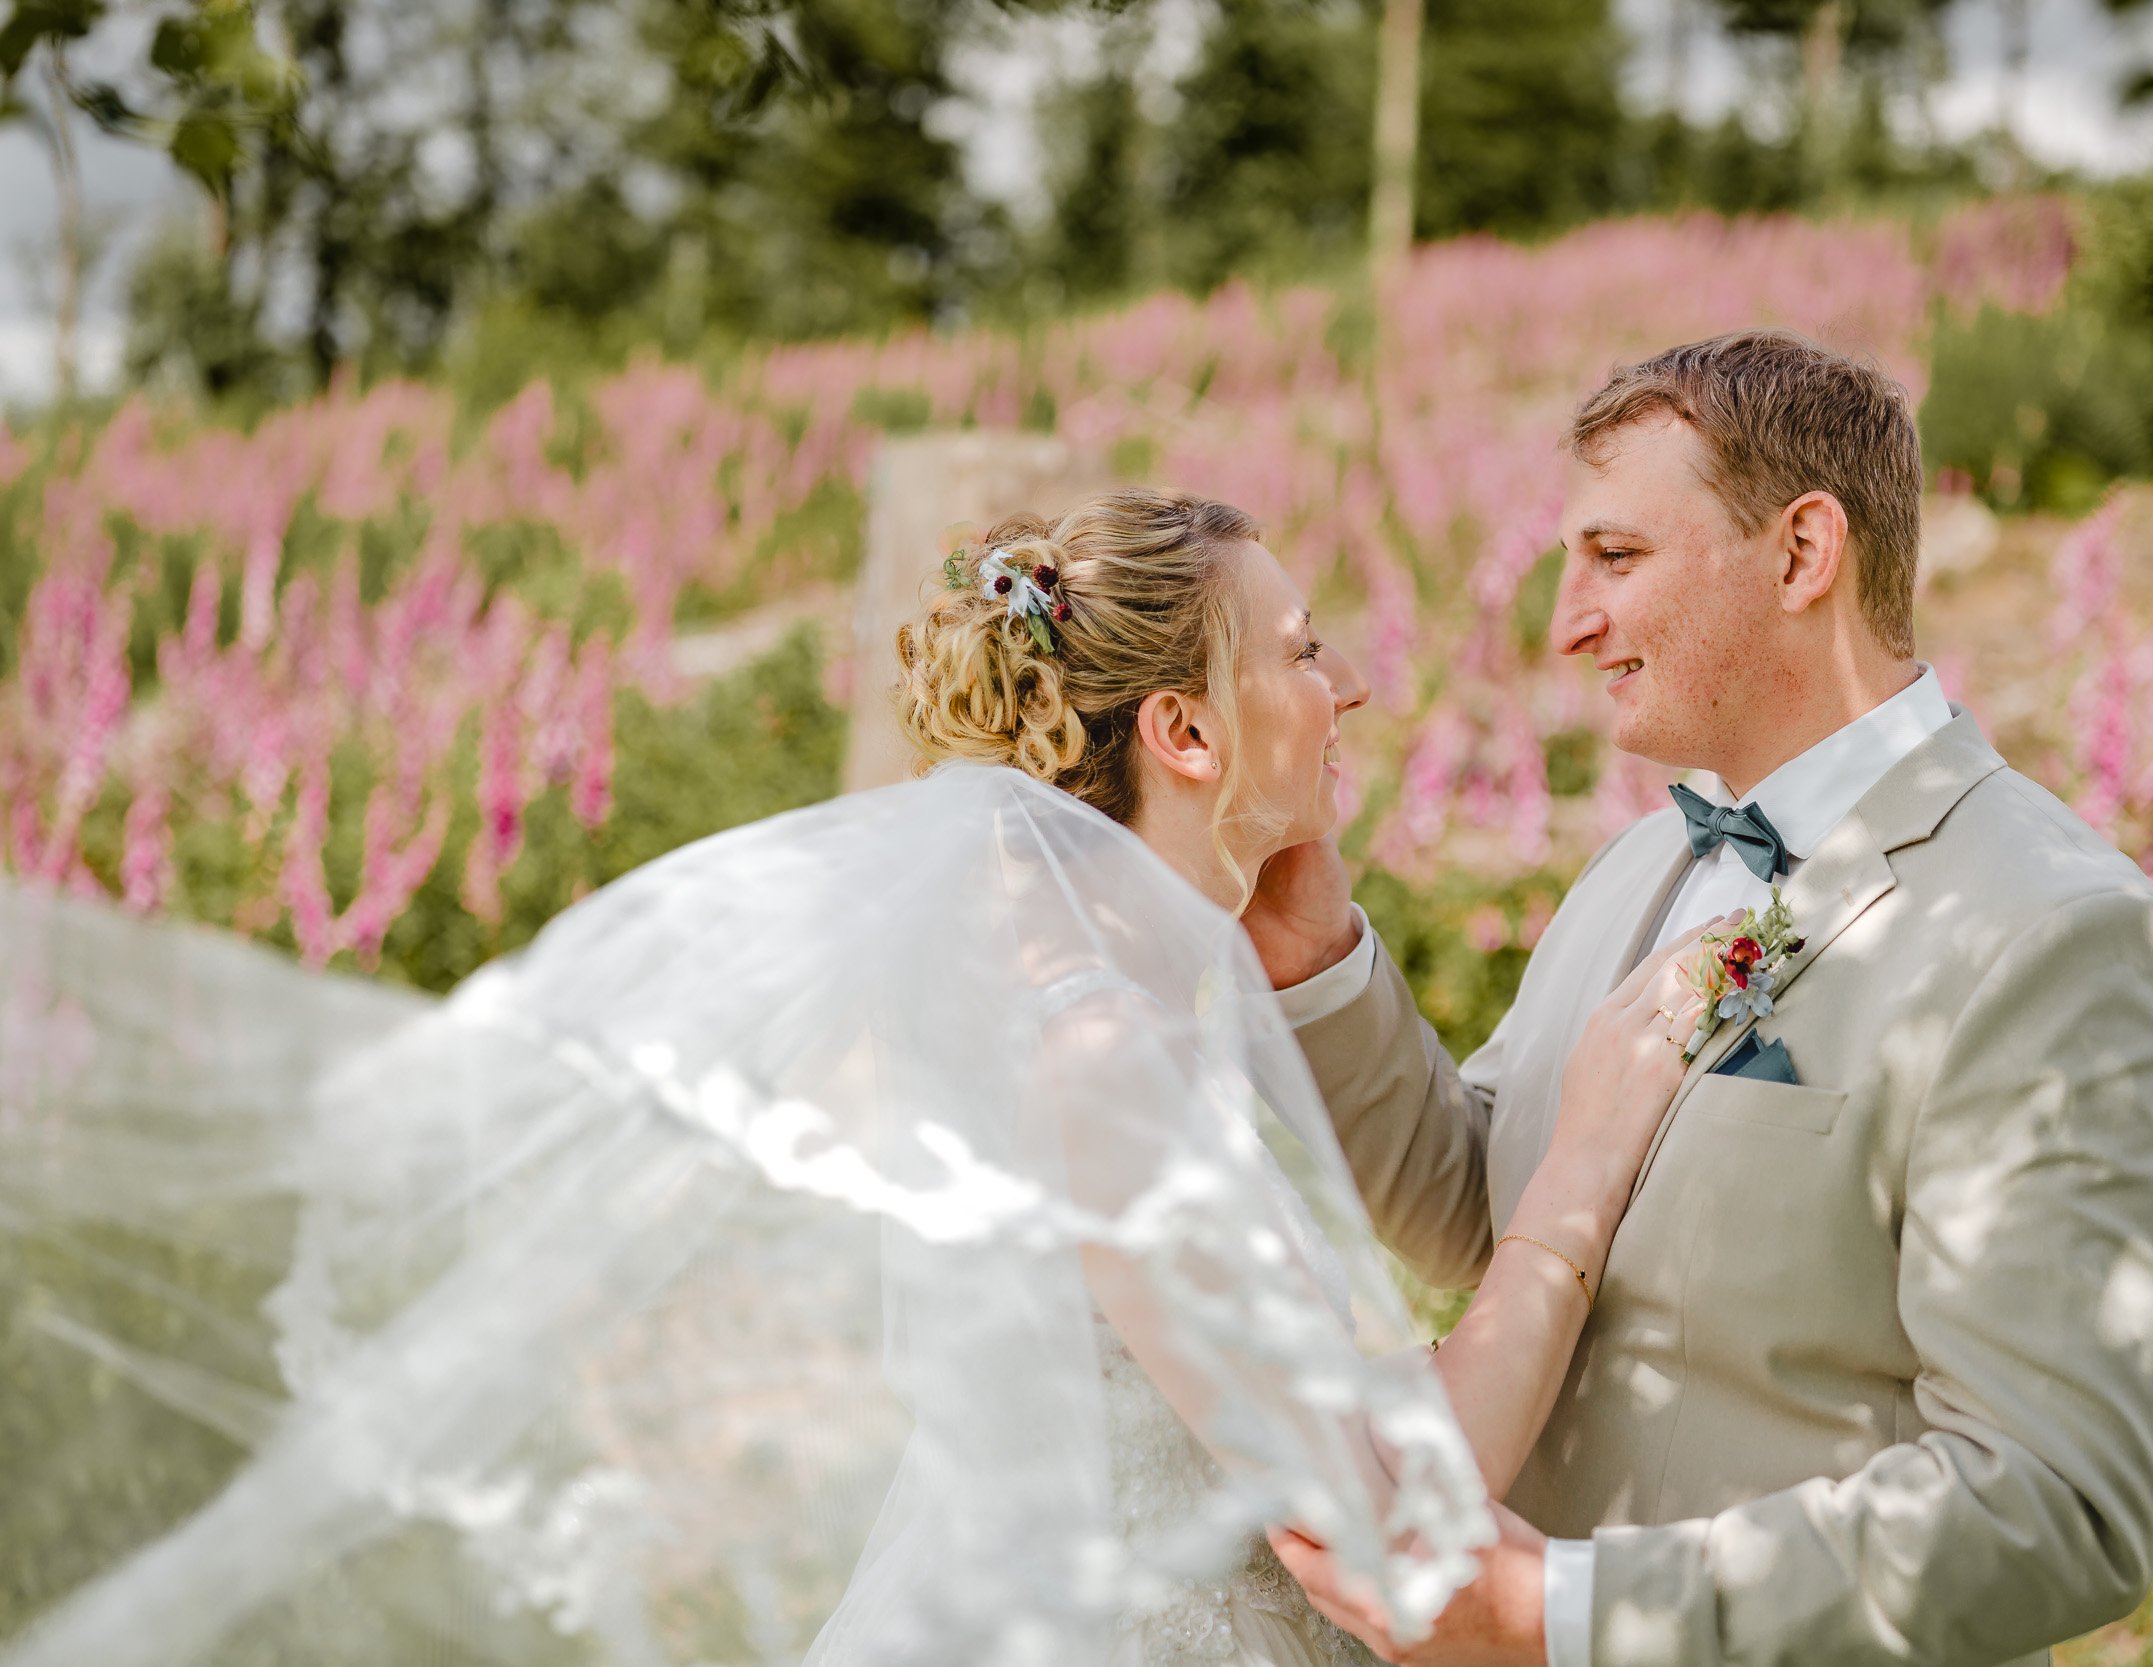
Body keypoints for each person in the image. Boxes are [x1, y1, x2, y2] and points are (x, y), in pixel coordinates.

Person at [1, 490, 1714, 1667]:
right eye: (1303, 649)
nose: (1348, 685)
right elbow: (1380, 1516)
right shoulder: (1101, 1050)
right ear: (1185, 735)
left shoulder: (1084, 998)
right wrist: (1580, 1169)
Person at [1250, 332, 2153, 1666]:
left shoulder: (2067, 943)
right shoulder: (1643, 863)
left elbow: (2055, 1502)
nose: (1566, 624)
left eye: (1616, 558)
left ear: (1801, 553)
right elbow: (1489, 1208)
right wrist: (1319, 967)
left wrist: (1570, 1614)